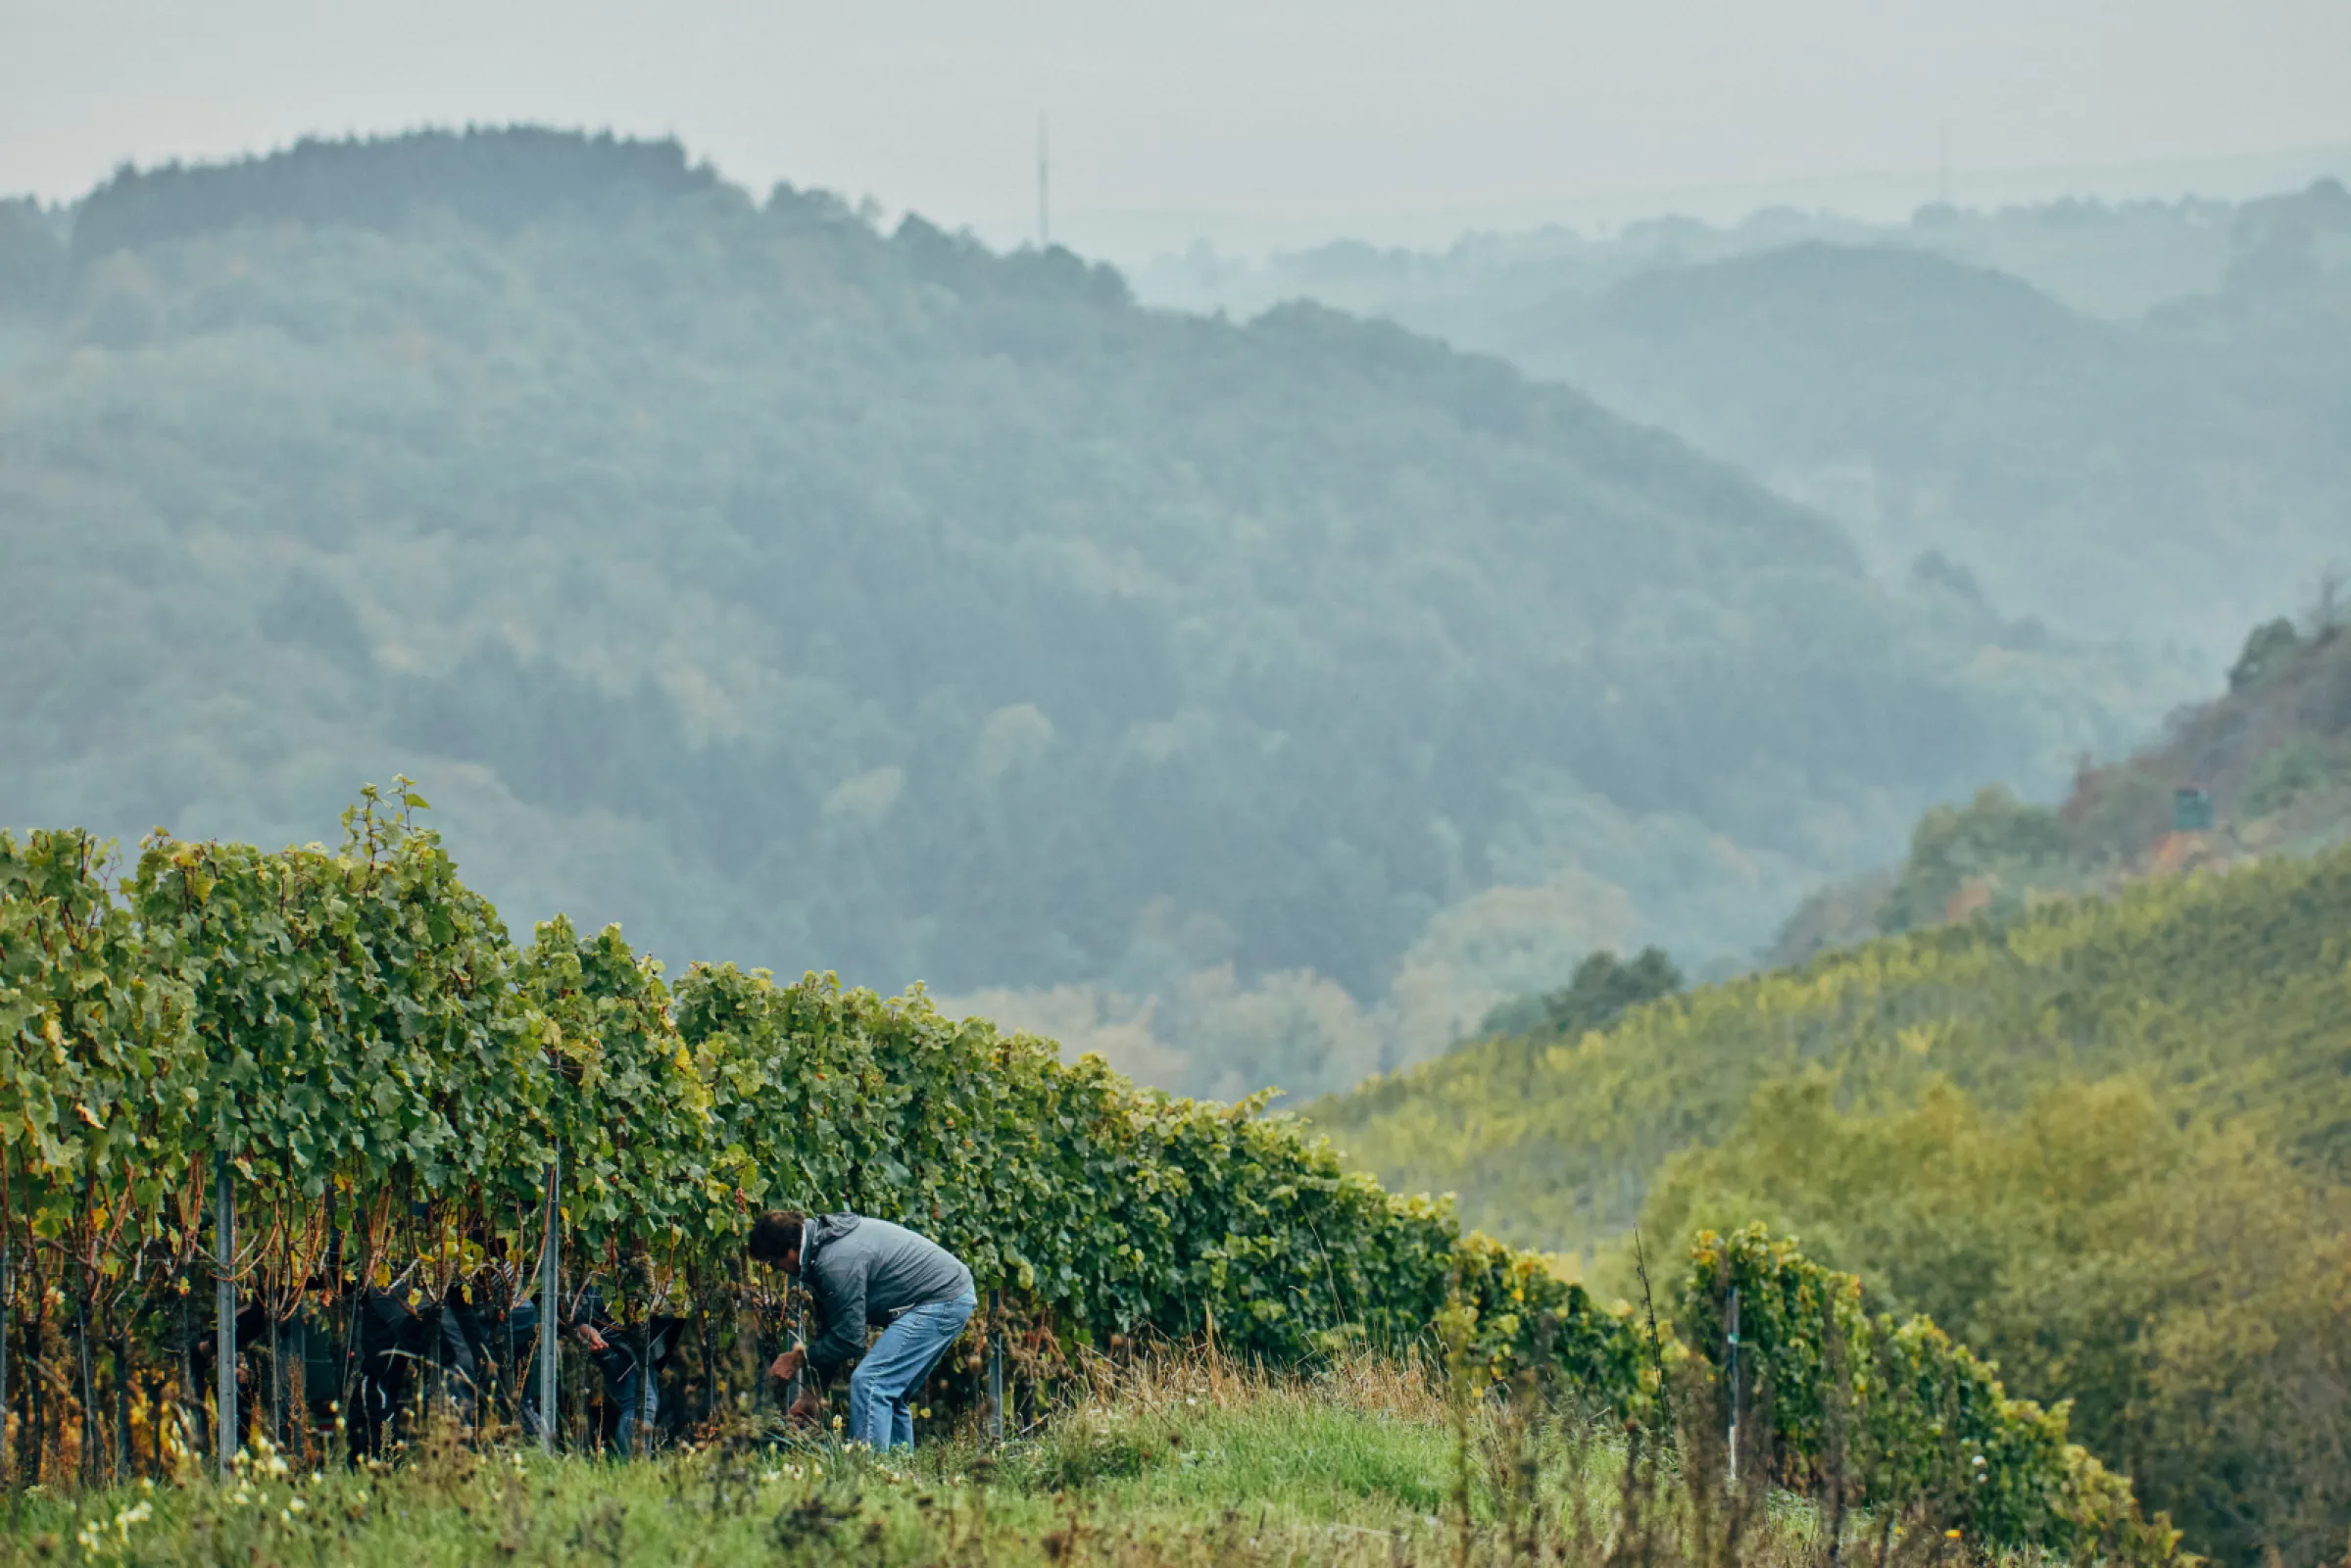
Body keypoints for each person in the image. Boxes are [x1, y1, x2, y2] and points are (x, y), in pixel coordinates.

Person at [750, 1210, 975, 1451]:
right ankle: (897, 1475)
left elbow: (849, 1339)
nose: (777, 1269)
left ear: (790, 1250)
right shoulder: (820, 1247)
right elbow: (831, 1331)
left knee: (871, 1383)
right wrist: (810, 1396)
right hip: (947, 1295)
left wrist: (798, 1359)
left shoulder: (835, 1262)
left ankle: (870, 1474)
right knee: (889, 1393)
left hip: (941, 1299)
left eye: (774, 1262)